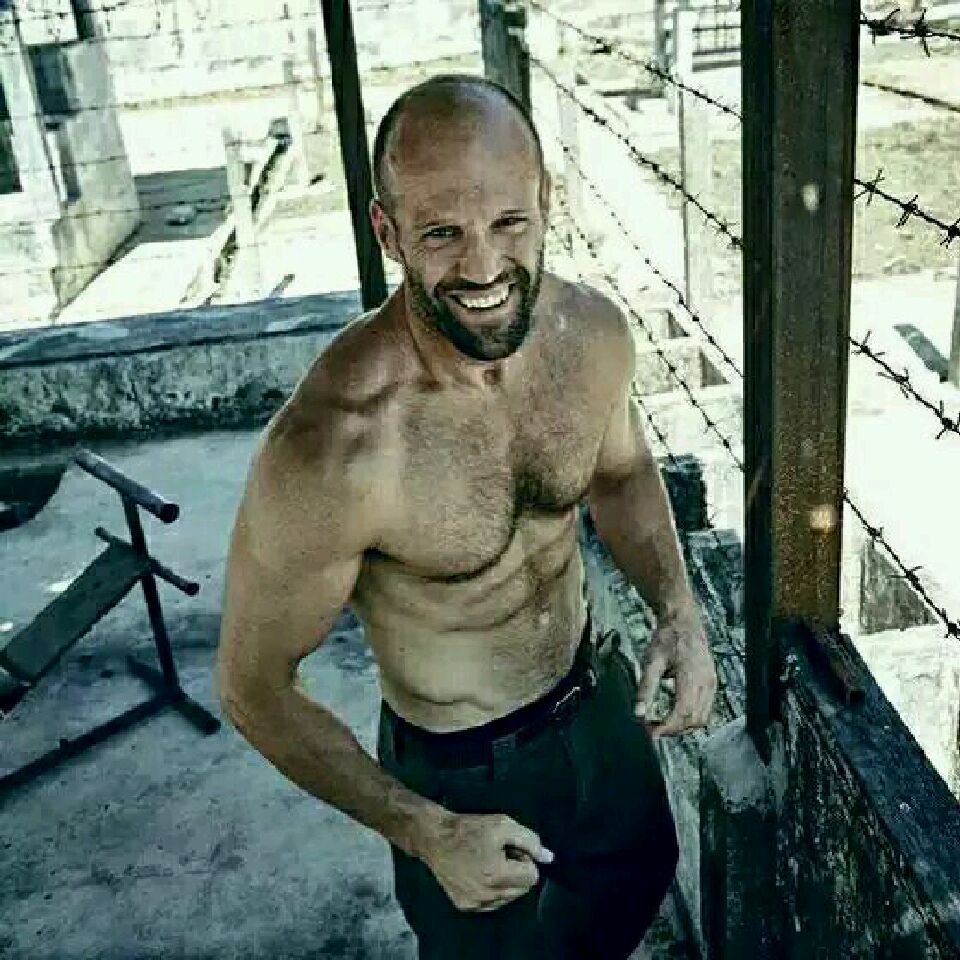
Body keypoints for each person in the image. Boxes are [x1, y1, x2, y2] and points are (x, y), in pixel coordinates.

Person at [216, 74, 717, 959]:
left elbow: (623, 471)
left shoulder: (592, 337)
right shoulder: (335, 447)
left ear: (546, 199)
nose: (483, 269)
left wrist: (679, 609)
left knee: (635, 890)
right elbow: (252, 686)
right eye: (442, 233)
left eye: (508, 222)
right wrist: (426, 830)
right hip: (461, 773)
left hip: (598, 700)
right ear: (388, 233)